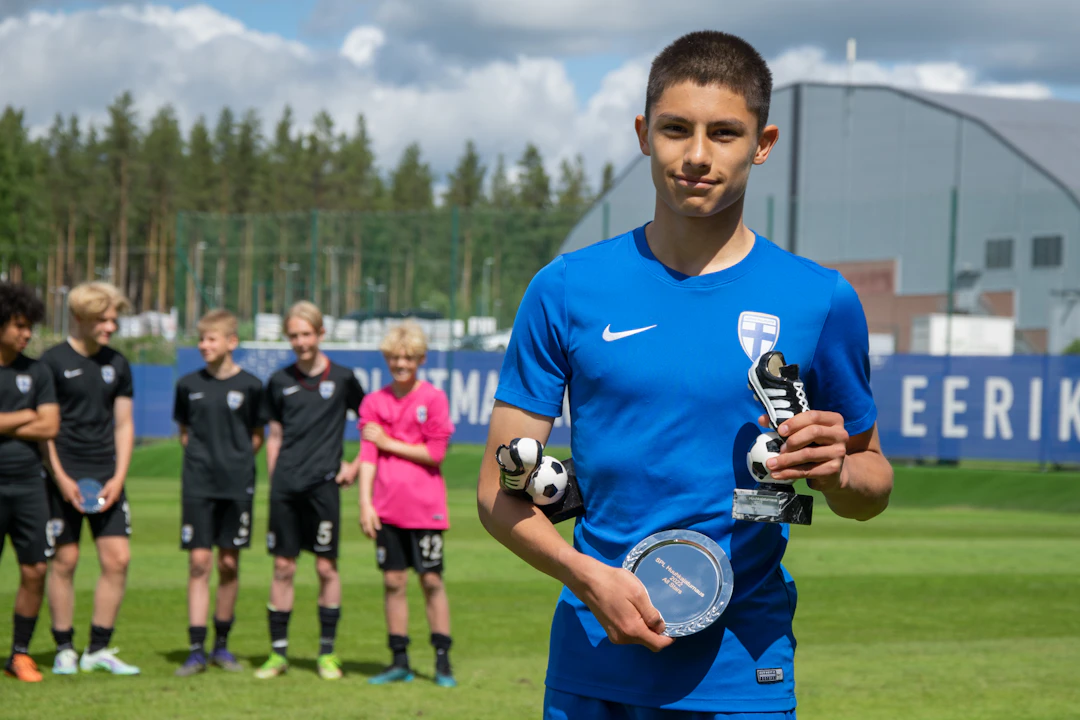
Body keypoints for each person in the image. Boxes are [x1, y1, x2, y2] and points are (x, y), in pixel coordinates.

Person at [477, 31, 894, 718]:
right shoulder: (567, 289)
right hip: (594, 658)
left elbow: (871, 483)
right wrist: (586, 578)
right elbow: (497, 491)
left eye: (725, 133)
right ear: (645, 134)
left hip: (743, 670)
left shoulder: (818, 299)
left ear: (762, 143)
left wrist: (837, 473)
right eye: (676, 129)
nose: (697, 156)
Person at [255, 301, 365, 681]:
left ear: (320, 334)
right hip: (286, 488)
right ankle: (278, 654)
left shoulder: (345, 378)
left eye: (306, 334)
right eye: (294, 335)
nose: (301, 342)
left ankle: (327, 654)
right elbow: (275, 436)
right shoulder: (279, 381)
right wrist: (275, 479)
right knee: (283, 566)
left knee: (325, 567)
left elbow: (370, 424)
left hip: (324, 488)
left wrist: (354, 465)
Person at [41, 281, 140, 676]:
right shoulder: (50, 362)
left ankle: (98, 649)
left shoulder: (118, 364)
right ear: (79, 318)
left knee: (118, 559)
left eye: (114, 319)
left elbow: (124, 424)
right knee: (65, 559)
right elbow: (47, 429)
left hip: (107, 477)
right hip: (60, 477)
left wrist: (118, 476)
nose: (111, 327)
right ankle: (64, 647)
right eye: (103, 319)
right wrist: (61, 477)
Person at [352, 321, 456, 688]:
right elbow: (367, 455)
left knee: (430, 580)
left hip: (426, 509)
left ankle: (442, 659)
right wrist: (365, 503)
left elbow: (436, 453)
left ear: (420, 359)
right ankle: (399, 660)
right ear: (386, 359)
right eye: (395, 357)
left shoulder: (434, 399)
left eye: (408, 357)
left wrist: (388, 441)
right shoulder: (373, 402)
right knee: (393, 581)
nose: (400, 363)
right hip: (387, 509)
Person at [172, 310, 268, 676]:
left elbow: (256, 436)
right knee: (199, 562)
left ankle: (221, 647)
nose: (204, 345)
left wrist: (235, 462)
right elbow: (185, 432)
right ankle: (196, 648)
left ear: (231, 342)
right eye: (201, 339)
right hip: (198, 484)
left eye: (211, 339)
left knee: (229, 564)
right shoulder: (187, 385)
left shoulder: (251, 387)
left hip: (237, 485)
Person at [0, 283, 59, 682]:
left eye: (30, 327)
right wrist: (27, 415)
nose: (27, 334)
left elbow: (50, 423)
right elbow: (37, 419)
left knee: (36, 568)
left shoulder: (37, 370)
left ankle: (20, 654)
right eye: (20, 326)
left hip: (28, 485)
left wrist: (7, 421)